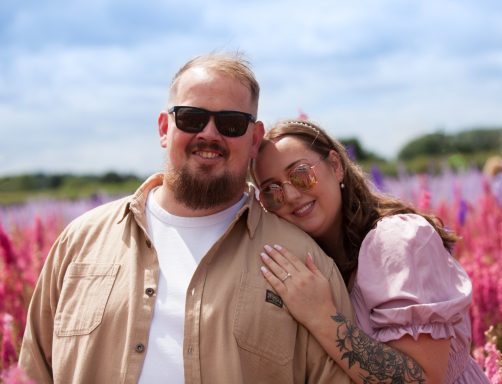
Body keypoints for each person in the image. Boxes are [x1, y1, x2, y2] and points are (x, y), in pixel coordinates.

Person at [18, 53, 364, 383]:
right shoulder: (80, 241)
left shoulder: (306, 264)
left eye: (230, 123)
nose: (209, 134)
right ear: (164, 128)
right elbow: (32, 370)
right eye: (192, 118)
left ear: (255, 139)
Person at [251, 120, 491, 384]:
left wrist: (320, 317)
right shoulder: (320, 261)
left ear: (336, 165)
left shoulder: (393, 241)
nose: (292, 194)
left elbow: (422, 379)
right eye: (272, 192)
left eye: (301, 174)